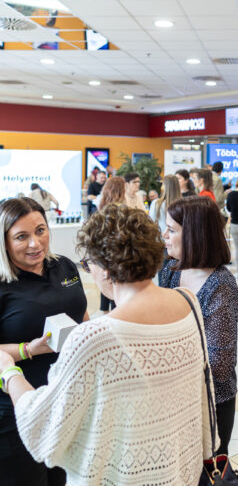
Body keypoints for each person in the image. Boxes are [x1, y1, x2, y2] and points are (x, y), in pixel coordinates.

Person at [0, 203, 213, 484]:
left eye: (88, 264)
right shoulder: (188, 300)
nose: (35, 243)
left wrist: (8, 371)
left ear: (105, 268)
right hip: (180, 465)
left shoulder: (94, 337)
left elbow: (41, 429)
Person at [0, 197, 88, 485]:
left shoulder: (64, 267)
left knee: (60, 479)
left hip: (65, 401)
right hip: (15, 410)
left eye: (40, 231)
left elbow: (82, 314)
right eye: (21, 237)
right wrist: (28, 350)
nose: (35, 244)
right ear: (4, 241)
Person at [159, 197, 238, 455]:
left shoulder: (221, 287)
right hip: (175, 399)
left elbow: (220, 366)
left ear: (195, 234)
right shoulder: (171, 270)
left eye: (171, 230)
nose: (164, 235)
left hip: (210, 403)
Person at [96, 176, 127, 316]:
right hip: (118, 249)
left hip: (104, 248)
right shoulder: (122, 208)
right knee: (117, 282)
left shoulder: (101, 205)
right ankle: (116, 313)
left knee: (106, 279)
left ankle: (105, 311)